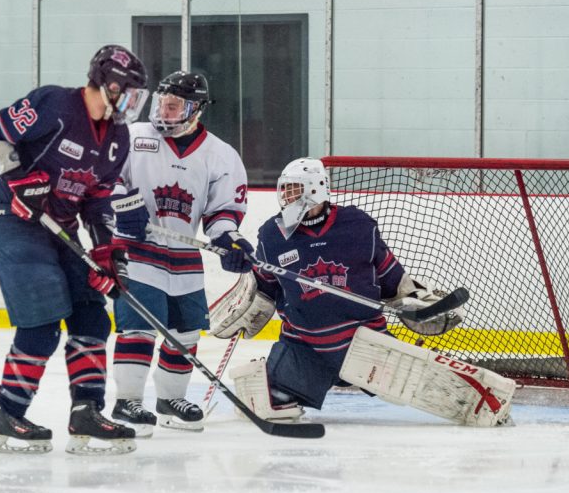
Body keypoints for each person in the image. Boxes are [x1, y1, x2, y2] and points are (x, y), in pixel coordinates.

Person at [210, 158, 516, 427]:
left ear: (315, 189)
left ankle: (488, 401)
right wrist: (244, 293)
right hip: (305, 347)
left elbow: (390, 278)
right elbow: (264, 285)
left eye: (293, 189)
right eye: (284, 189)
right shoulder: (271, 235)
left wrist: (419, 301)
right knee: (263, 403)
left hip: (364, 341)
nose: (285, 197)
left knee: (433, 387)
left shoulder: (356, 225)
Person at [0, 44, 149, 455]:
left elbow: (99, 197)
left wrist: (106, 252)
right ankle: (8, 412)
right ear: (110, 84)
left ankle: (86, 410)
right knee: (43, 316)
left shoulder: (118, 137)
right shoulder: (55, 103)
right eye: (131, 91)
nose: (135, 102)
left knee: (90, 311)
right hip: (10, 215)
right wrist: (13, 172)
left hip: (58, 224)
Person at [108, 71, 253, 436]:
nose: (165, 111)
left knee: (185, 333)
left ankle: (170, 399)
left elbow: (221, 213)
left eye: (175, 105)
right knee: (138, 328)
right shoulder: (133, 136)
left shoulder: (221, 154)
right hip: (136, 251)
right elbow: (106, 177)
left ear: (196, 110)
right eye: (163, 102)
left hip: (185, 258)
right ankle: (128, 403)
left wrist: (229, 241)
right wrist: (123, 204)